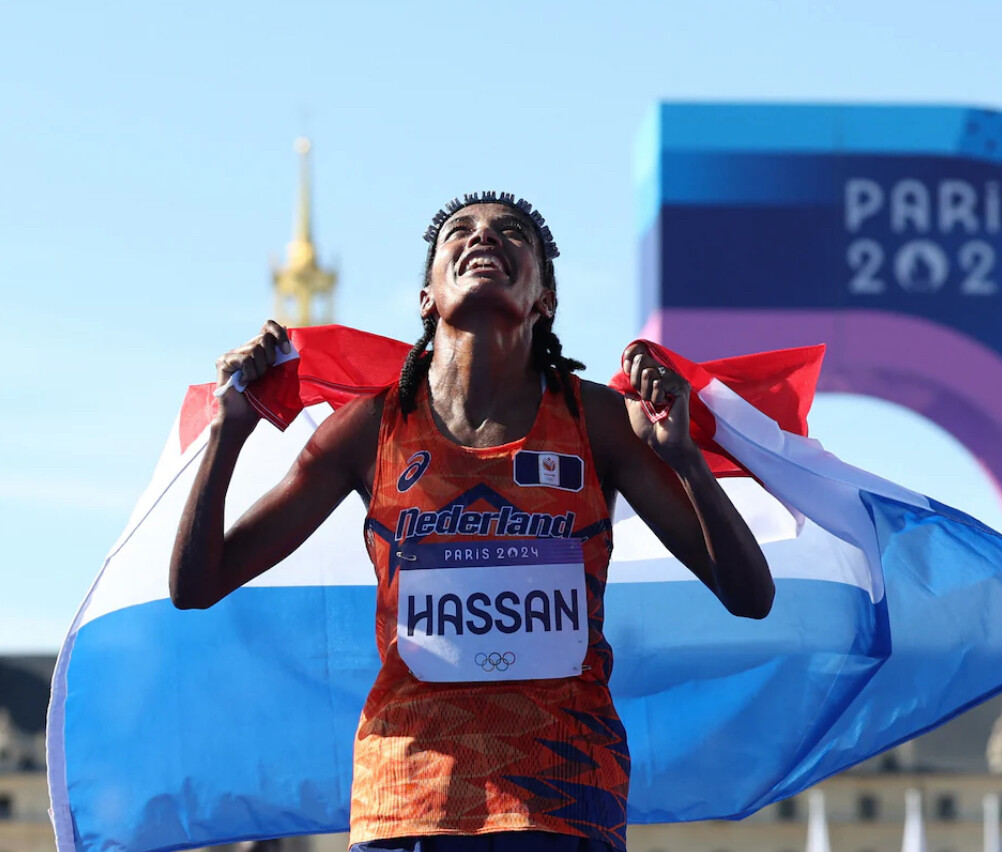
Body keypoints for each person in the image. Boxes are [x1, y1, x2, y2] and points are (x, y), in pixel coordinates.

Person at [170, 192, 775, 852]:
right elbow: (196, 585)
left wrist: (684, 460)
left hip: (564, 801)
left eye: (512, 233)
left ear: (545, 300)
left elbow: (750, 596)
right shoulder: (369, 429)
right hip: (408, 802)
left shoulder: (600, 423)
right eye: (459, 231)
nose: (484, 237)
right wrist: (228, 433)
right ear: (426, 298)